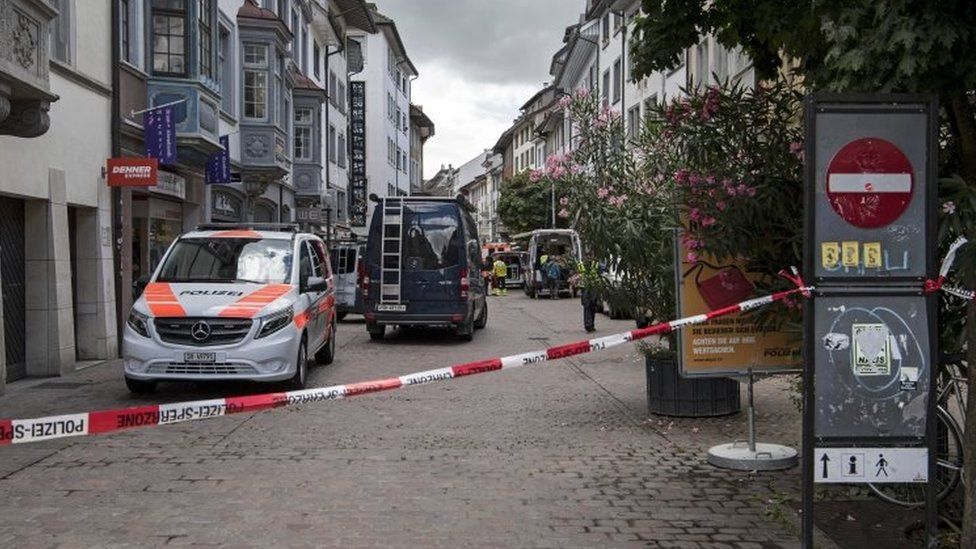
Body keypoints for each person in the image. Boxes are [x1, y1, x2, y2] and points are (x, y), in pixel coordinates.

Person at [577, 259, 601, 332]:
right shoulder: (580, 265)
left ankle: (591, 324)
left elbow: (600, 274)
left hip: (593, 287)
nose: (589, 258)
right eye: (587, 256)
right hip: (585, 288)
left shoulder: (596, 264)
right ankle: (588, 325)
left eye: (590, 256)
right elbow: (577, 275)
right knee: (587, 306)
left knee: (592, 306)